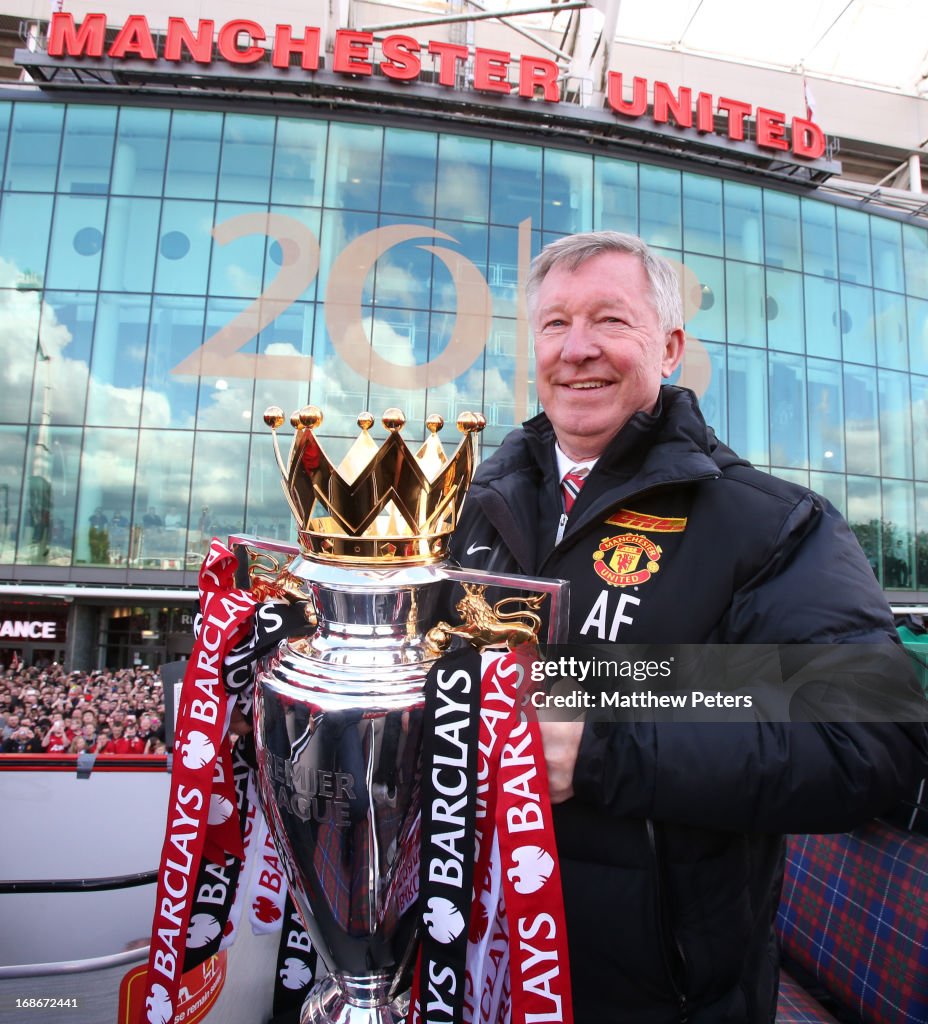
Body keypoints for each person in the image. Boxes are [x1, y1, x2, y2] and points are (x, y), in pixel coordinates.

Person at [449, 231, 928, 1024]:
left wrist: (601, 746)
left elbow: (871, 732)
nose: (578, 350)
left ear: (669, 347)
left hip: (655, 1000)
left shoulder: (770, 524)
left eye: (611, 321)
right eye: (555, 324)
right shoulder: (467, 510)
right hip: (468, 965)